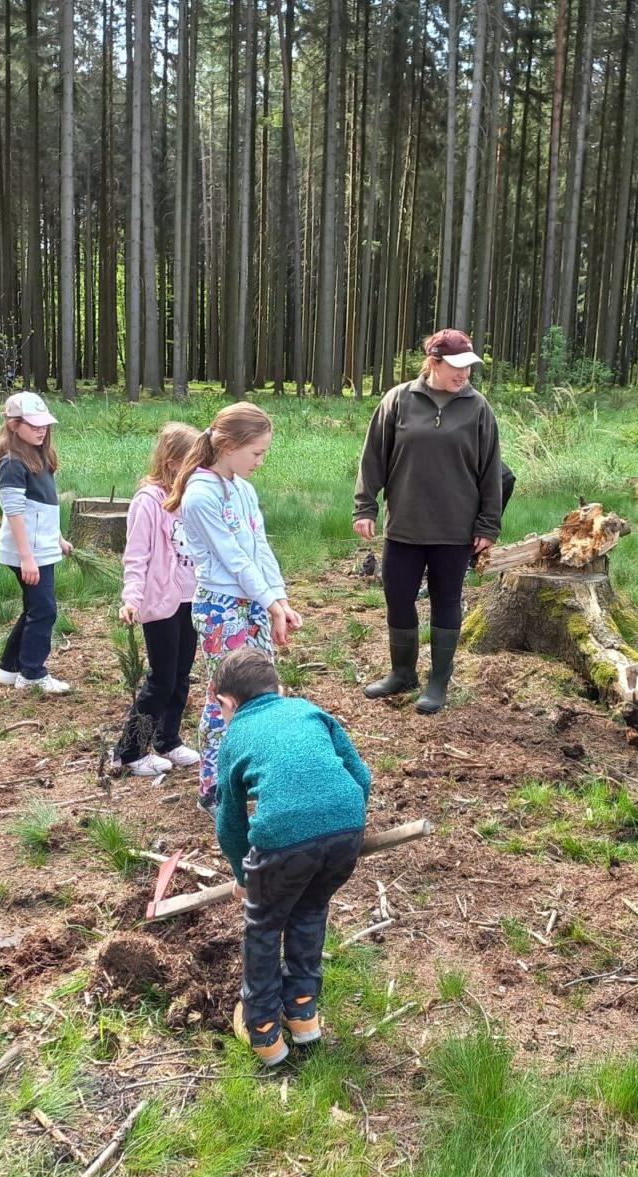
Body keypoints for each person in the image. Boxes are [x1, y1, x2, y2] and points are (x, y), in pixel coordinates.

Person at [211, 648, 369, 1067]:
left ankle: (264, 1032)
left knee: (264, 926)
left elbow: (229, 822)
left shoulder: (233, 738)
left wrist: (243, 873)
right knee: (310, 910)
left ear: (225, 703)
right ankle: (303, 1014)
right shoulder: (309, 710)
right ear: (278, 689)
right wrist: (342, 826)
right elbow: (362, 776)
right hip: (346, 833)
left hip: (282, 843)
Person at [353, 328, 502, 714]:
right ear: (433, 362)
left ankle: (438, 681)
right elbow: (373, 458)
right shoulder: (398, 400)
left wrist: (488, 525)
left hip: (455, 530)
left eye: (469, 367)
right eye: (456, 367)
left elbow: (491, 472)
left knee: (445, 600)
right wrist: (365, 506)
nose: (464, 374)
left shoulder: (478, 408)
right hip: (404, 525)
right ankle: (402, 673)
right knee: (398, 597)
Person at [165, 402, 302, 811]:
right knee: (225, 697)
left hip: (255, 603)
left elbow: (259, 548)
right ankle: (214, 788)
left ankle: (249, 777)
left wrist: (278, 600)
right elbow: (235, 561)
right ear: (228, 444)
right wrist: (271, 604)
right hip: (222, 608)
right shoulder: (199, 496)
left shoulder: (243, 489)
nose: (260, 461)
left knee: (261, 693)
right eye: (256, 453)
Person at [111, 422, 202, 777]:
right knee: (161, 679)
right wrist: (131, 598)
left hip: (190, 600)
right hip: (159, 603)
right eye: (193, 461)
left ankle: (168, 740)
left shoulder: (191, 499)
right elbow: (136, 557)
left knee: (181, 675)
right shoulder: (147, 502)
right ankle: (130, 751)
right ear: (171, 462)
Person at [0, 392, 73, 695]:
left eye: (44, 425)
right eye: (33, 425)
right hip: (29, 551)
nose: (41, 430)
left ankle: (9, 669)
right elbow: (14, 512)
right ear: (14, 424)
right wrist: (27, 557)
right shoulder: (11, 462)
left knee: (33, 609)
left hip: (41, 546)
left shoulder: (38, 453)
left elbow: (42, 508)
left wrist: (59, 538)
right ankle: (33, 674)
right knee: (45, 610)